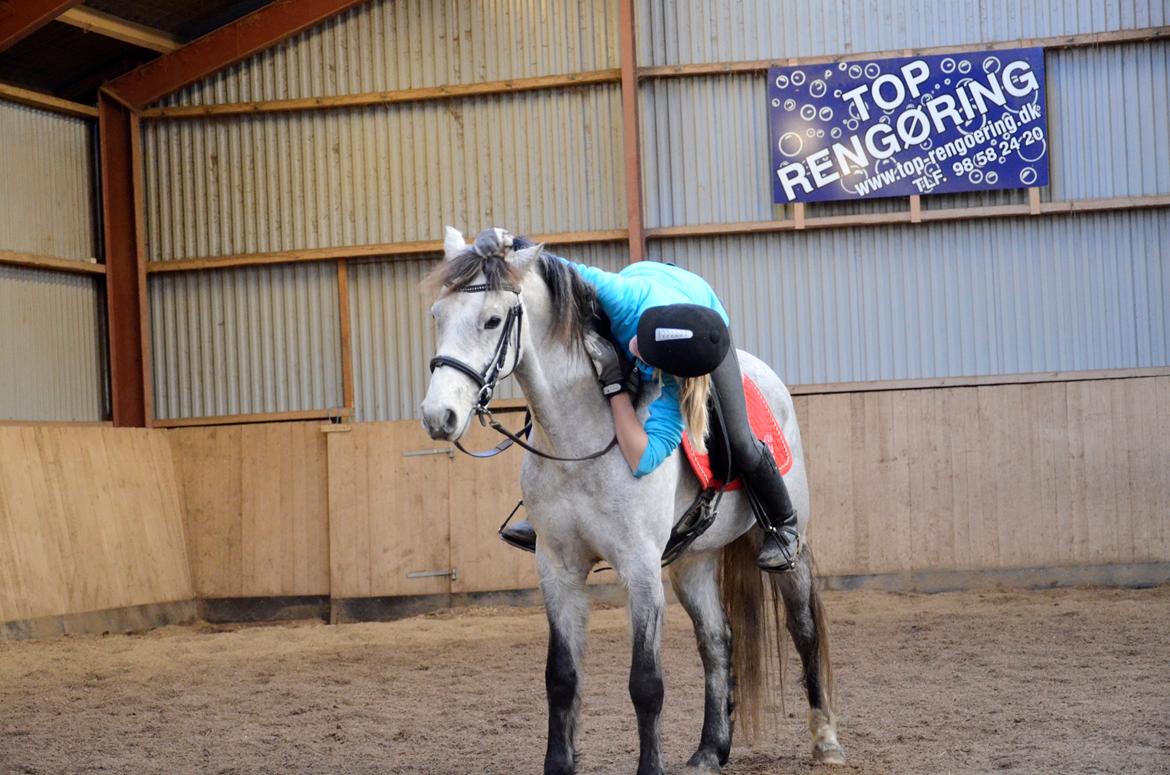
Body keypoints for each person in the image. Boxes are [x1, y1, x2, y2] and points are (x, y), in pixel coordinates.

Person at [474, 229, 799, 572]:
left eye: (646, 357)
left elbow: (643, 460)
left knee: (739, 437)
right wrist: (506, 242)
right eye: (640, 344)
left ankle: (783, 525)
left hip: (706, 321)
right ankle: (543, 510)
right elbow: (555, 268)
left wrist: (615, 387)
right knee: (562, 390)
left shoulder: (677, 382)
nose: (634, 352)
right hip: (646, 296)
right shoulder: (621, 297)